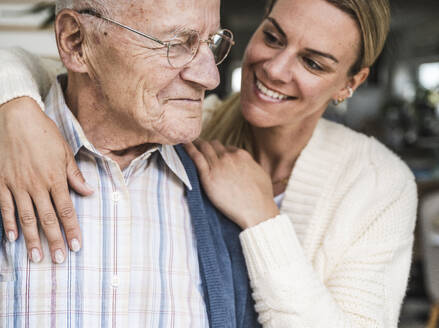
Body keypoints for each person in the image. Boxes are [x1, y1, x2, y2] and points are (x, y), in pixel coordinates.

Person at [0, 0, 417, 326]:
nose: (274, 69)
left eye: (312, 62)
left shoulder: (378, 182)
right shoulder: (196, 123)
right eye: (272, 37)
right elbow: (75, 66)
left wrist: (262, 219)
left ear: (350, 83)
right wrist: (15, 107)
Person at [0, 1, 263, 327]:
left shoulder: (230, 204)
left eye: (211, 42)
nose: (210, 77)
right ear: (75, 42)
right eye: (177, 44)